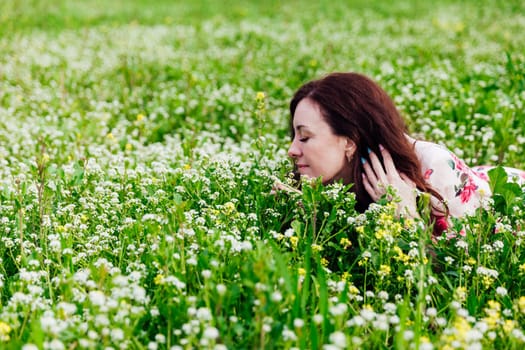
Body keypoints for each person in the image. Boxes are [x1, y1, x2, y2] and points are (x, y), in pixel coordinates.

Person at [282, 72, 524, 233]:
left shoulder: (434, 169)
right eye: (294, 136)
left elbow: (463, 273)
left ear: (350, 140)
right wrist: (299, 214)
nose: (292, 150)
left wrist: (407, 216)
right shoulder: (321, 178)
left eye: (305, 137)